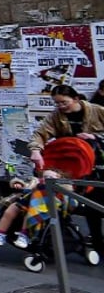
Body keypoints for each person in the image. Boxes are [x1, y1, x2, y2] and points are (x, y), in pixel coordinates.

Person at [28, 84, 104, 253]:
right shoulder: (56, 116)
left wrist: (96, 137)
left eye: (64, 102)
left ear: (76, 99)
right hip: (74, 166)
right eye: (57, 103)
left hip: (98, 164)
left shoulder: (97, 111)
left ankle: (94, 241)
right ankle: (87, 242)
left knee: (98, 204)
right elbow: (40, 134)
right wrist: (35, 150)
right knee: (85, 206)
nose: (61, 107)